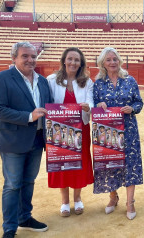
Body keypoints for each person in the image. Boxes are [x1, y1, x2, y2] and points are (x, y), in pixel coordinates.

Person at [0, 42, 52, 238]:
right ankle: (9, 227)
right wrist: (28, 116)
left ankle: (25, 217)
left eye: (33, 56)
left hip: (36, 140)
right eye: (25, 56)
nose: (30, 60)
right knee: (12, 184)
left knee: (28, 181)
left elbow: (48, 107)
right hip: (13, 141)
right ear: (14, 58)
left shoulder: (42, 81)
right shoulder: (3, 78)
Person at [93, 47, 143, 220]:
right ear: (102, 63)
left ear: (119, 61)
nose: (112, 62)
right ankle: (113, 197)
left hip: (128, 129)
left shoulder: (130, 80)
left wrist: (132, 108)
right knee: (110, 162)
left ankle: (130, 202)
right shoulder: (98, 83)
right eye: (108, 60)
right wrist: (99, 105)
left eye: (115, 59)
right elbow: (93, 105)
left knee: (130, 163)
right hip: (107, 130)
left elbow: (139, 102)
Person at [47, 47, 94, 217]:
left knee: (79, 163)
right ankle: (65, 202)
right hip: (59, 130)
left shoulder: (87, 82)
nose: (73, 62)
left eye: (77, 60)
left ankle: (78, 198)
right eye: (70, 59)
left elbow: (91, 102)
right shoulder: (52, 80)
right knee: (61, 162)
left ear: (81, 63)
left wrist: (89, 107)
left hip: (81, 128)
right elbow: (47, 102)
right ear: (64, 61)